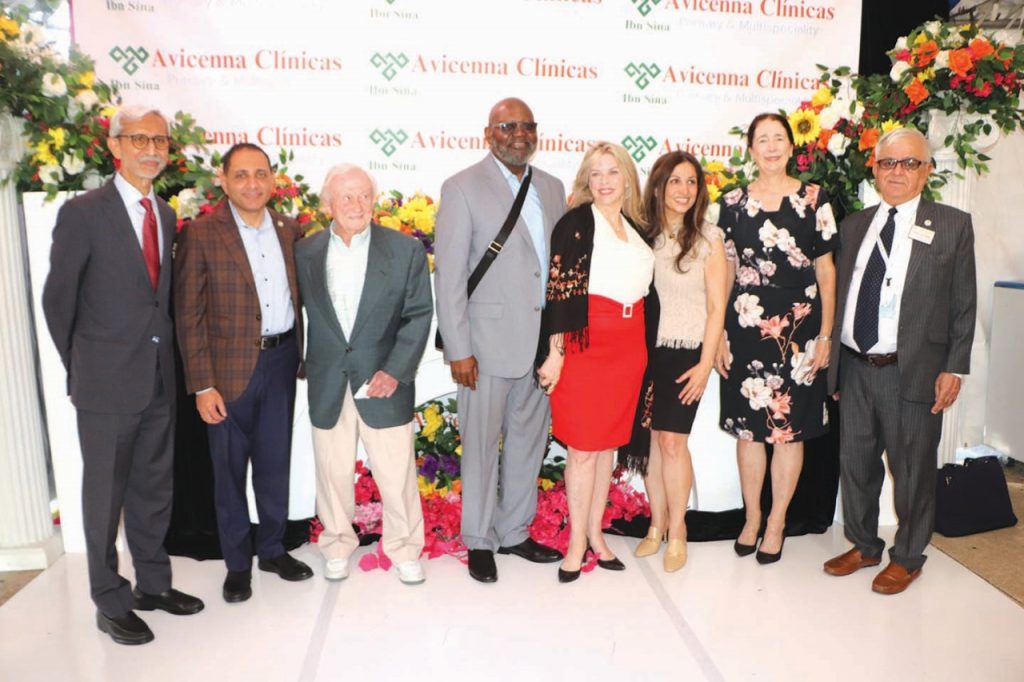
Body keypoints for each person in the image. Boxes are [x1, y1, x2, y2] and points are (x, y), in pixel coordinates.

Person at [42, 105, 203, 645]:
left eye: (159, 140)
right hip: (105, 383)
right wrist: (82, 365)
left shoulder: (165, 214)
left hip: (158, 377)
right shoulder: (84, 213)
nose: (151, 149)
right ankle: (109, 600)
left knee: (153, 487)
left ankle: (153, 585)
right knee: (104, 497)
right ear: (115, 146)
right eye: (139, 139)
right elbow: (58, 300)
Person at [823, 127, 976, 594]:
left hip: (914, 371)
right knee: (856, 465)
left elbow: (963, 303)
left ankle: (908, 557)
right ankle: (865, 544)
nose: (897, 172)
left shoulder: (952, 224)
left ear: (926, 171)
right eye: (888, 162)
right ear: (874, 169)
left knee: (912, 472)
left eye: (909, 163)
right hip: (855, 366)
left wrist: (955, 366)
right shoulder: (854, 225)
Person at [434, 97, 566, 583]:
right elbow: (449, 276)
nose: (518, 134)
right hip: (484, 347)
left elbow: (559, 269)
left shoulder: (551, 187)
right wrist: (459, 348)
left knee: (529, 443)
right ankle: (478, 539)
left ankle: (514, 532)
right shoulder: (462, 187)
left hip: (540, 346)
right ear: (488, 134)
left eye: (526, 125)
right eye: (507, 126)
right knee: (481, 447)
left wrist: (558, 344)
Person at [174, 142, 312, 603]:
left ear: (273, 179)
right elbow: (188, 314)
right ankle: (237, 564)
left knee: (275, 465)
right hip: (226, 372)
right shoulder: (201, 233)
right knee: (229, 473)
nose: (252, 184)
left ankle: (272, 549)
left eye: (260, 174)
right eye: (241, 175)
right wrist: (202, 385)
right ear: (224, 181)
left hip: (281, 361)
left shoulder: (290, 230)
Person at [296, 164, 433, 585]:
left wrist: (395, 370)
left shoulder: (405, 250)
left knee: (396, 474)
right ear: (328, 204)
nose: (357, 204)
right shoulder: (306, 251)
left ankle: (405, 548)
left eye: (364, 195)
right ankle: (336, 544)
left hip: (383, 381)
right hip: (328, 379)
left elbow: (418, 315)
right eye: (346, 196)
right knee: (332, 472)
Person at [714, 113, 838, 564]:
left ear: (791, 146)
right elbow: (724, 272)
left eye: (778, 138)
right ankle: (752, 517)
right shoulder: (731, 203)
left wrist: (825, 336)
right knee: (749, 432)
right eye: (762, 139)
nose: (771, 146)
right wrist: (719, 334)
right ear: (750, 148)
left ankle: (777, 521)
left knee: (790, 431)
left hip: (801, 329)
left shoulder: (815, 199)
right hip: (746, 327)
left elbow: (827, 272)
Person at [537, 142, 655, 583]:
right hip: (586, 346)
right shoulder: (574, 224)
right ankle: (575, 545)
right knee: (584, 451)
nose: (604, 181)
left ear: (627, 178)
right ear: (587, 180)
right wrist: (555, 353)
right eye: (596, 173)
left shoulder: (637, 228)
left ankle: (596, 535)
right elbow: (559, 291)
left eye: (613, 172)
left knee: (607, 448)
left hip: (629, 347)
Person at [627, 151, 728, 572]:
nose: (684, 190)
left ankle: (679, 530)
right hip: (643, 351)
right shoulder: (641, 236)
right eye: (675, 181)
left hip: (687, 351)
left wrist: (705, 364)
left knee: (673, 442)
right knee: (652, 443)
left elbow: (717, 307)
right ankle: (656, 526)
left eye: (691, 182)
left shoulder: (709, 238)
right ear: (658, 187)